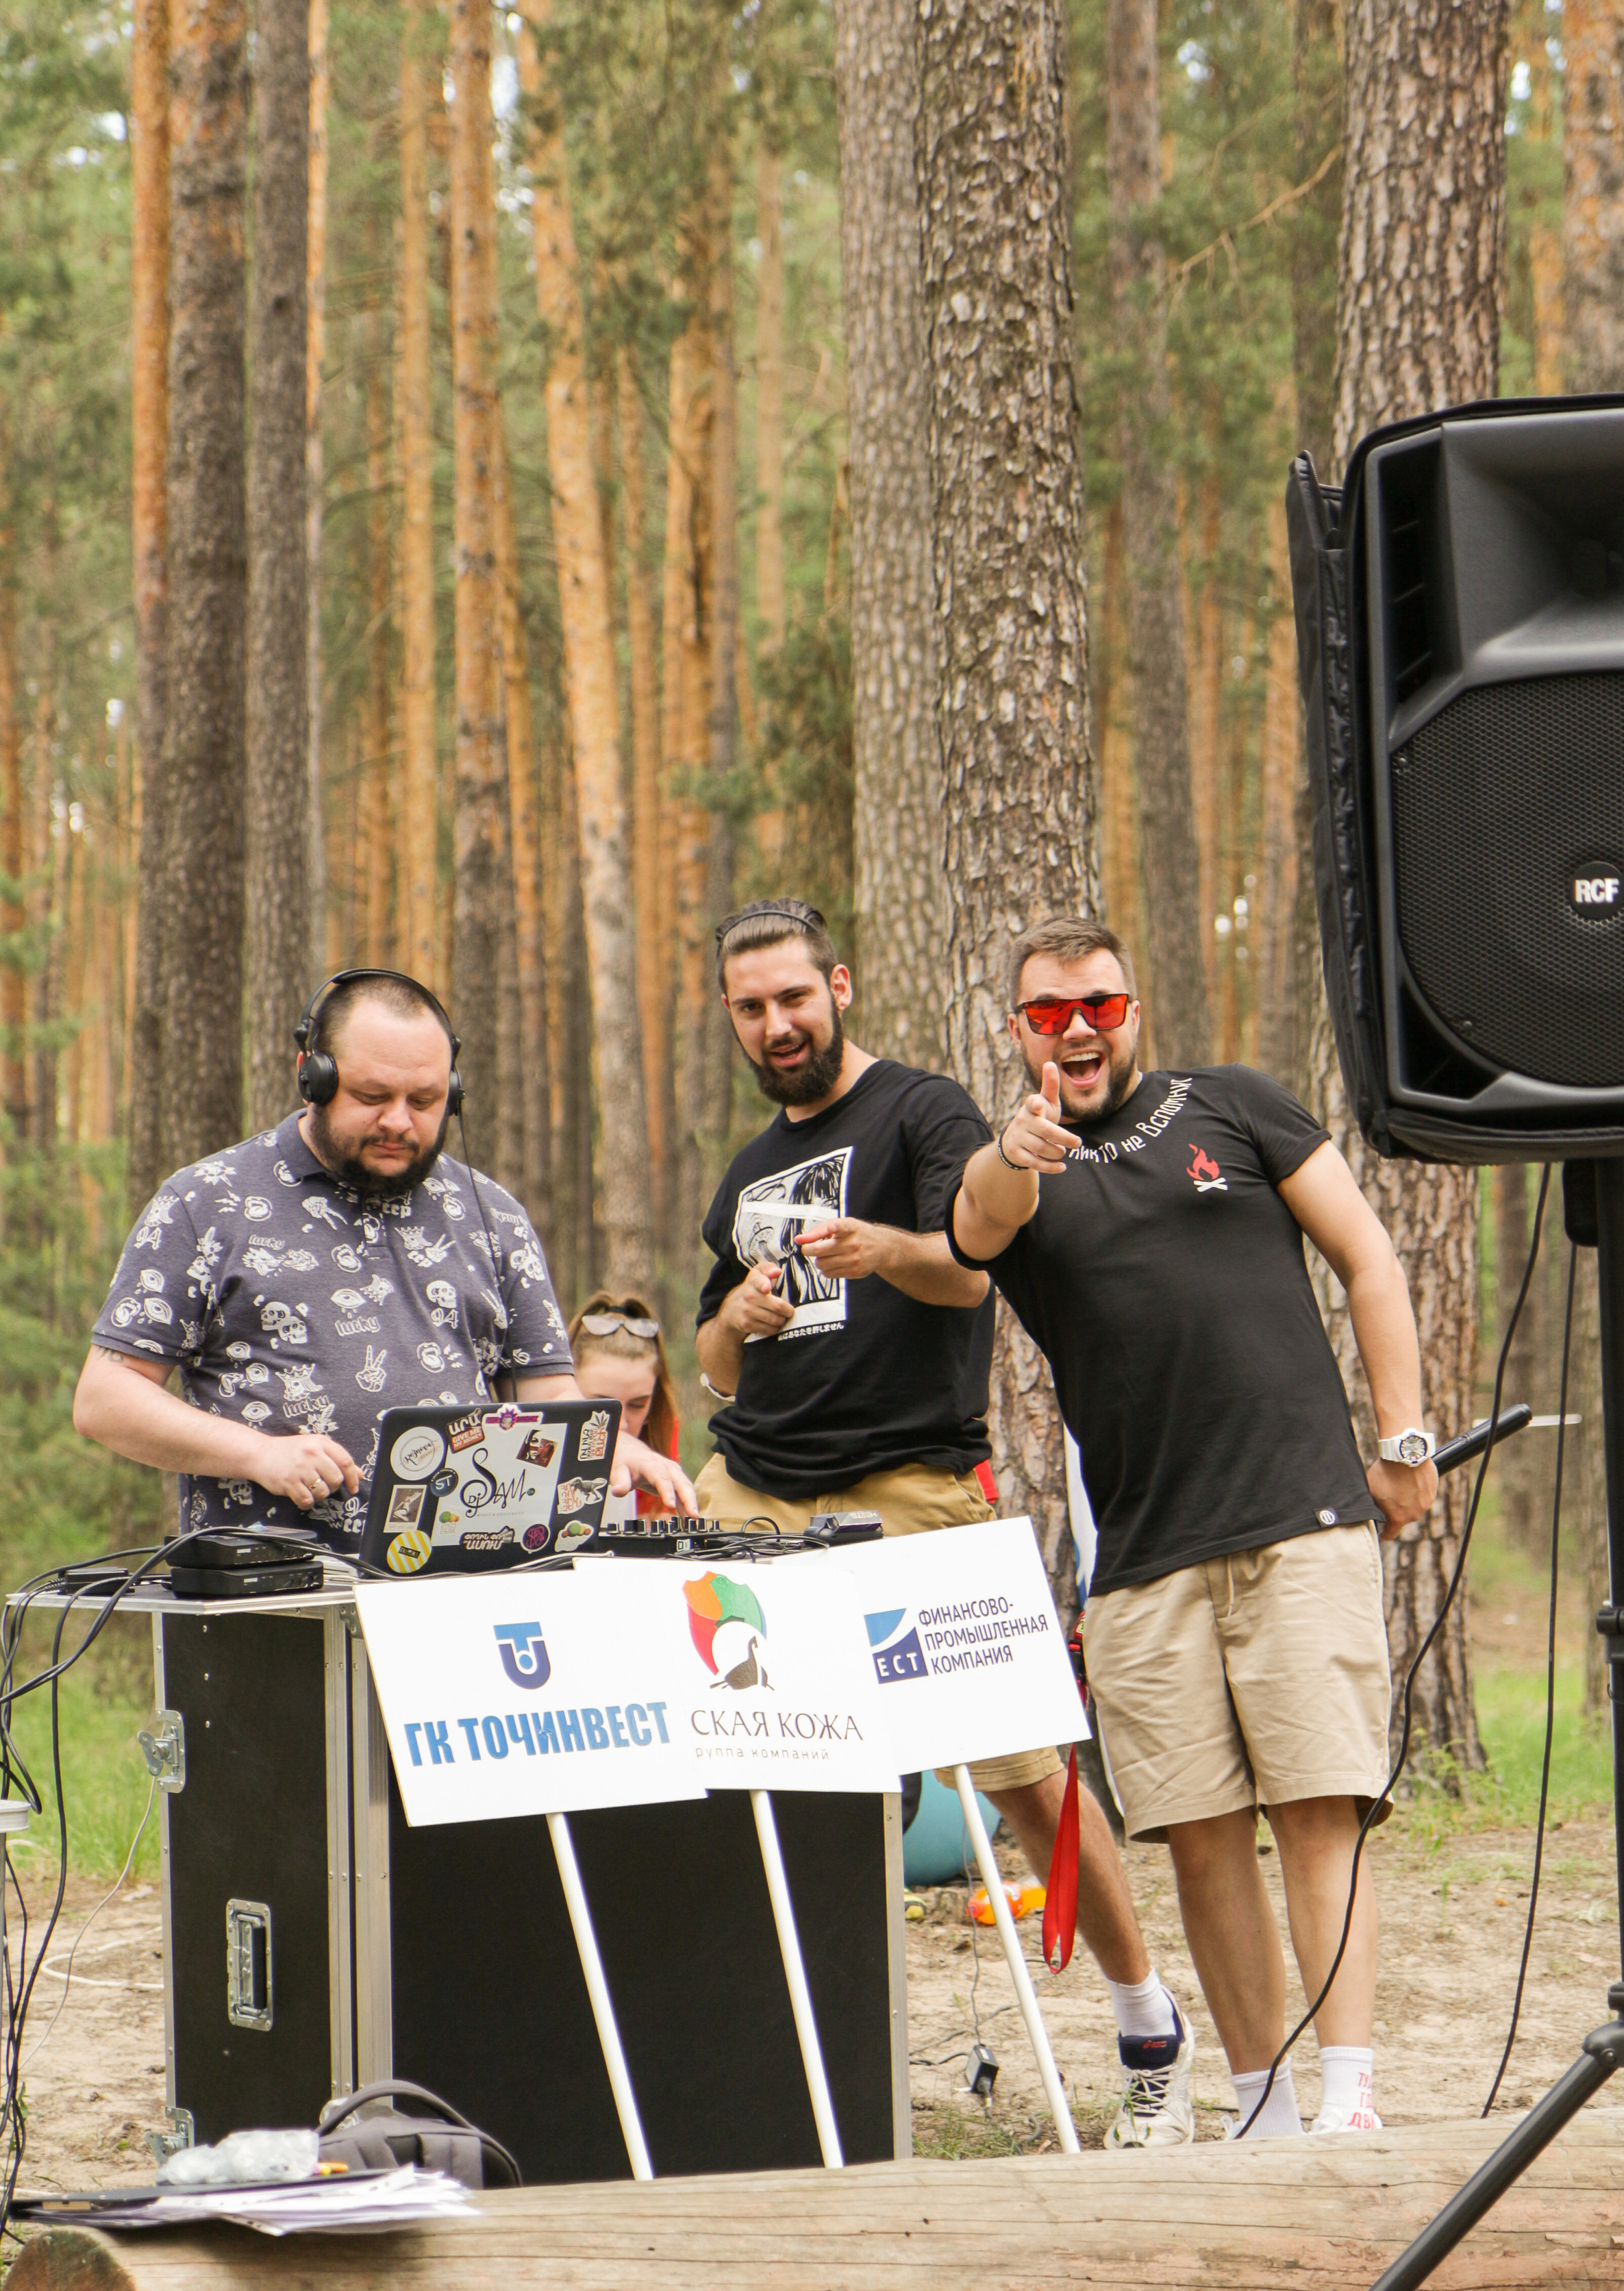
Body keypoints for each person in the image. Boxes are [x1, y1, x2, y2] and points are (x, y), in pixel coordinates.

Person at [695, 897, 1198, 2148]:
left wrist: (880, 1247)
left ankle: (1149, 2034)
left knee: (1026, 1772)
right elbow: (710, 1352)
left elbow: (970, 1269)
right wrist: (739, 1327)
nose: (778, 1024)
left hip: (909, 1483)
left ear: (841, 986)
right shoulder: (746, 1172)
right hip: (752, 1488)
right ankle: (752, 2046)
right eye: (753, 1008)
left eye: (795, 998)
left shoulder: (922, 1112)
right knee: (720, 1762)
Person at [951, 917, 1439, 2140]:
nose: (1077, 1029)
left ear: (1132, 1008)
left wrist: (1406, 1435)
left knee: (1322, 1806)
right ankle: (1264, 2107)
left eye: (1100, 1006)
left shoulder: (1235, 1105)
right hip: (1146, 1564)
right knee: (1205, 1841)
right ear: (1018, 1029)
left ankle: (1347, 2100)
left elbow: (1369, 1257)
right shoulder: (1015, 1163)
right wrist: (1018, 1150)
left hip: (1302, 1520)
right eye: (1049, 1012)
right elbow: (975, 1226)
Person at [73, 969, 694, 1533]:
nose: (399, 1121)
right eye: (373, 1096)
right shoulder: (207, 1202)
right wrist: (258, 1454)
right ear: (312, 1076)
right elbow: (106, 1400)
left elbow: (549, 1396)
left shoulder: (492, 1215)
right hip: (272, 1607)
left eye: (424, 1101)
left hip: (457, 1590)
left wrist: (610, 1443)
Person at [569, 1292, 682, 1523]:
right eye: (600, 1405)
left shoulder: (660, 1433)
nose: (621, 1423)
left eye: (638, 1405)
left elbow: (658, 1520)